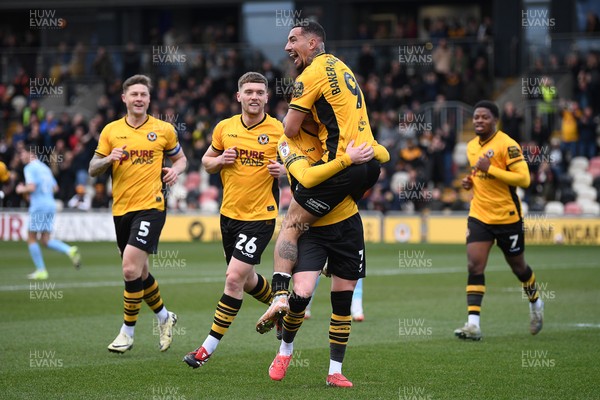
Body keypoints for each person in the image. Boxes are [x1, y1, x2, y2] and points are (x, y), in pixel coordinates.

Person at [256, 21, 388, 333]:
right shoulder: (344, 68)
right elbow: (360, 134)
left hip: (343, 166)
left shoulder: (309, 76)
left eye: (293, 40)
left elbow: (289, 131)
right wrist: (375, 153)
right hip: (368, 165)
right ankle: (329, 261)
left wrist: (343, 156)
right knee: (338, 211)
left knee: (291, 226)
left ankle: (278, 295)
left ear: (313, 43)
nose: (287, 47)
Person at [182, 72, 286, 368]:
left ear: (267, 97)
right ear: (238, 96)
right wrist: (219, 161)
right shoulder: (224, 128)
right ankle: (281, 307)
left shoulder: (279, 130)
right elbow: (205, 162)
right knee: (247, 277)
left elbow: (301, 166)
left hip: (260, 216)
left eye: (260, 92)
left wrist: (285, 172)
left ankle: (205, 350)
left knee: (233, 279)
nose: (254, 96)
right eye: (249, 91)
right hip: (229, 216)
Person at [267, 124, 376, 387]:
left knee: (342, 300)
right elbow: (306, 178)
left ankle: (334, 371)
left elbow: (378, 155)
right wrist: (348, 160)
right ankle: (285, 351)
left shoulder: (337, 133)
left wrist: (368, 155)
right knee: (302, 293)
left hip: (347, 227)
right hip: (310, 228)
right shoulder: (287, 141)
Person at [88, 74, 187, 353]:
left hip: (152, 206)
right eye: (134, 95)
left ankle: (127, 333)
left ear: (149, 99)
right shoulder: (111, 131)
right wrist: (109, 158)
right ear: (124, 98)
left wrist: (175, 171)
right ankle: (165, 318)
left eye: (144, 94)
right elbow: (92, 168)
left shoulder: (164, 130)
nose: (139, 99)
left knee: (130, 267)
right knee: (140, 273)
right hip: (121, 209)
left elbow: (181, 159)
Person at [454, 100, 544, 341]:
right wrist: (470, 181)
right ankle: (473, 325)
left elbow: (524, 180)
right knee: (474, 265)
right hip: (480, 215)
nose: (479, 121)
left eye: (484, 117)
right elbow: (479, 174)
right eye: (476, 117)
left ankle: (536, 303)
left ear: (495, 120)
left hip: (507, 217)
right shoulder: (472, 146)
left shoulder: (508, 145)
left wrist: (490, 169)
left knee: (519, 268)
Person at [15, 147, 81, 280]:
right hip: (50, 204)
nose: (21, 157)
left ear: (31, 153)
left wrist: (21, 189)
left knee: (31, 237)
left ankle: (41, 270)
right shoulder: (45, 168)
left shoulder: (29, 168)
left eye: (22, 154)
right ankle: (69, 250)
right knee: (45, 240)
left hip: (39, 206)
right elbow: (55, 188)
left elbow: (32, 187)